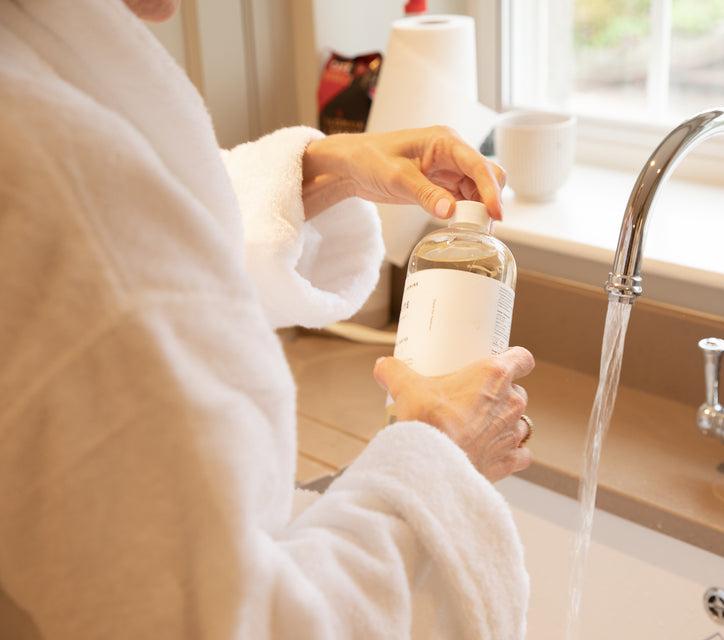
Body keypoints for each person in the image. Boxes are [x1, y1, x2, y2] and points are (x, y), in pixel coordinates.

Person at [0, 0, 535, 638]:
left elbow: (147, 230)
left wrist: (326, 170)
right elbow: (234, 622)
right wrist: (440, 450)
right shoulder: (49, 172)